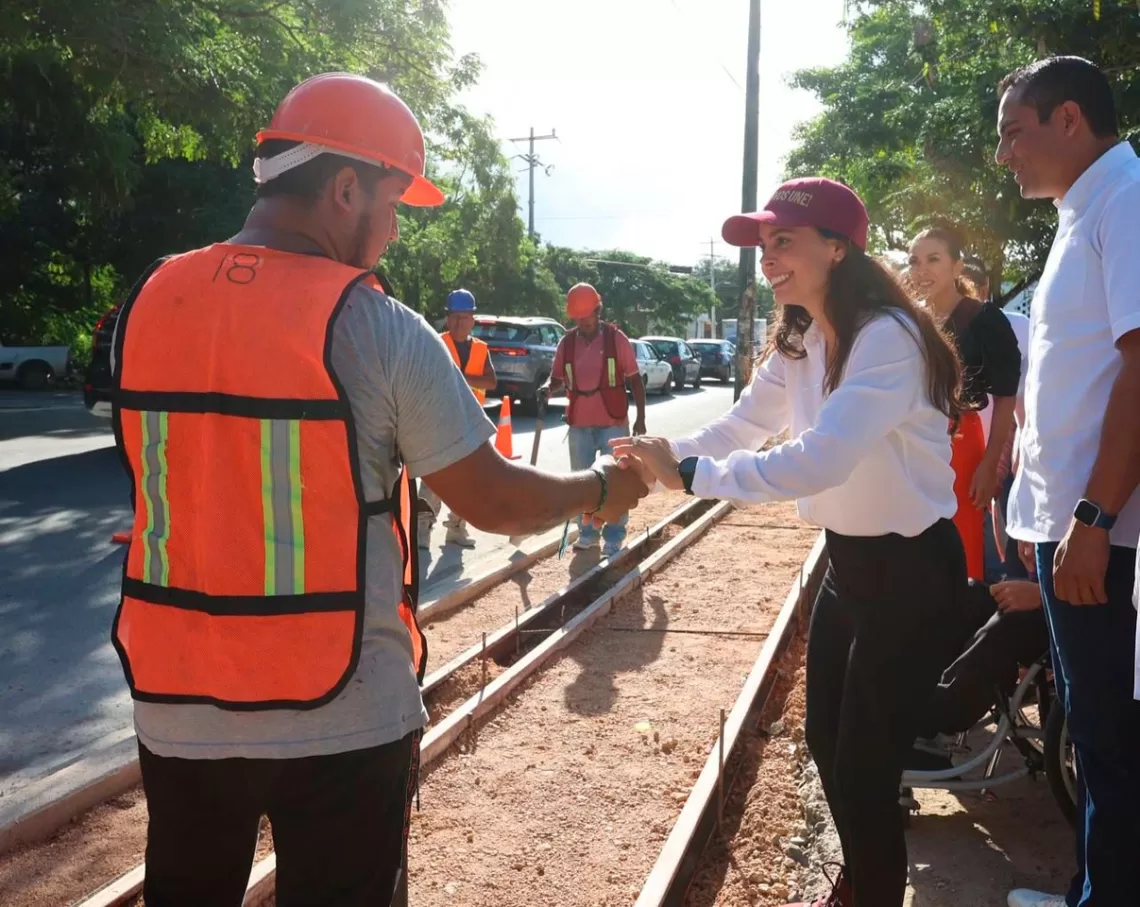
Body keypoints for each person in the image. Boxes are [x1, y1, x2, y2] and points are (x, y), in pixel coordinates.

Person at [108, 72, 648, 907]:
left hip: (178, 695)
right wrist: (599, 488)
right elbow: (493, 498)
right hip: (339, 705)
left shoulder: (151, 299)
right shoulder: (377, 326)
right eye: (393, 203)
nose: (394, 231)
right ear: (346, 185)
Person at [613, 177, 966, 907]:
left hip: (910, 574)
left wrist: (687, 473)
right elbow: (739, 427)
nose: (767, 259)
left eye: (783, 242)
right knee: (826, 747)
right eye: (762, 245)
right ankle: (865, 876)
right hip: (849, 565)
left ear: (837, 248)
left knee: (866, 767)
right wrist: (656, 453)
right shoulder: (802, 336)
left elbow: (819, 458)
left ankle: (868, 889)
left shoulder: (886, 340)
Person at [994, 56, 1140, 907]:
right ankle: (1092, 886)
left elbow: (1138, 370)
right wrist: (1036, 509)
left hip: (1106, 535)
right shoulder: (1083, 209)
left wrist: (1091, 515)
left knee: (1112, 744)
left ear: (1071, 119)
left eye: (1016, 131)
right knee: (1090, 731)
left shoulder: (1124, 202)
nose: (1005, 153)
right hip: (1070, 526)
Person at [908, 226, 1021, 581]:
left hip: (960, 443)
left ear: (957, 267)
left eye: (933, 259)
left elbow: (1005, 397)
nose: (921, 270)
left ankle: (958, 630)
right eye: (914, 261)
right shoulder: (908, 320)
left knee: (962, 544)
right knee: (911, 543)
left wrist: (990, 464)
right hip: (910, 441)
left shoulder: (984, 319)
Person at [541, 283, 647, 558]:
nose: (583, 322)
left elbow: (635, 379)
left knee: (617, 482)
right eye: (578, 318)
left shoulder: (616, 339)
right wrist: (547, 388)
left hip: (613, 421)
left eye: (587, 316)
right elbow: (557, 378)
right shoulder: (567, 343)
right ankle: (587, 534)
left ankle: (614, 536)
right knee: (582, 483)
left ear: (598, 311)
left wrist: (640, 419)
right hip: (579, 423)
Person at [910, 577, 1049, 766]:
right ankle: (911, 690)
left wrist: (1042, 594)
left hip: (1076, 616)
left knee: (1008, 626)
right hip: (1052, 594)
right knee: (968, 593)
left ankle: (930, 716)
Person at [417, 288, 496, 549]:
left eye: (464, 317)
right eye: (454, 317)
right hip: (438, 421)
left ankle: (457, 529)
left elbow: (491, 381)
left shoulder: (481, 349)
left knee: (469, 482)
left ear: (473, 320)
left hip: (469, 424)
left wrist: (461, 377)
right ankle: (422, 531)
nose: (459, 322)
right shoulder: (435, 342)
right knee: (434, 480)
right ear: (447, 319)